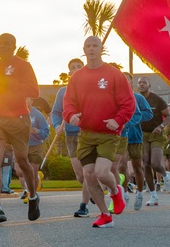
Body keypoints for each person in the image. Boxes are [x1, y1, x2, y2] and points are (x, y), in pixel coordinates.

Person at [62, 36, 136, 229]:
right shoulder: (77, 77)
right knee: (88, 174)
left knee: (102, 172)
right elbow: (69, 103)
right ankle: (105, 215)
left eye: (95, 45)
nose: (92, 48)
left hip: (108, 134)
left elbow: (128, 103)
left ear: (101, 49)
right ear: (83, 49)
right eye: (88, 46)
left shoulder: (114, 74)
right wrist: (71, 116)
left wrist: (118, 120)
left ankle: (115, 190)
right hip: (86, 134)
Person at [0, 33, 42, 223]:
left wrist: (11, 83)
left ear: (14, 47)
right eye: (0, 44)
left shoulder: (24, 65)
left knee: (22, 162)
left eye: (6, 44)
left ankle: (33, 196)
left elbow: (35, 91)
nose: (2, 47)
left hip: (18, 119)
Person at [51, 58, 87, 216]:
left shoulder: (90, 88)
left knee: (88, 172)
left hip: (87, 132)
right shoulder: (63, 92)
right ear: (69, 73)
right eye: (73, 67)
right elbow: (56, 112)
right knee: (80, 175)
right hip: (70, 134)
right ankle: (92, 189)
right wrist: (57, 125)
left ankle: (84, 205)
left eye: (79, 66)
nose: (76, 69)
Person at [118, 73, 153, 210]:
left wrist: (131, 119)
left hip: (135, 136)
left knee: (137, 166)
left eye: (127, 80)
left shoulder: (137, 98)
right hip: (121, 136)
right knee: (121, 165)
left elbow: (148, 113)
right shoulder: (116, 97)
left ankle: (139, 193)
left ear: (131, 82)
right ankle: (124, 193)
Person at [137, 76, 170, 207]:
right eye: (139, 83)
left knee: (155, 163)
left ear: (149, 85)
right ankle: (153, 195)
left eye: (144, 82)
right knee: (145, 164)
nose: (141, 84)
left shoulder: (156, 99)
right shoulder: (136, 99)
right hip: (142, 135)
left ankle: (165, 174)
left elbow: (168, 116)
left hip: (156, 134)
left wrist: (161, 126)